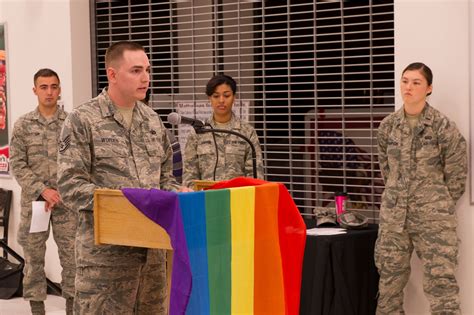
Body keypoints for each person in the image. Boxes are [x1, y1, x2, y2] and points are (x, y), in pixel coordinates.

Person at [57, 41, 189, 314]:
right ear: (113, 75)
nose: (146, 78)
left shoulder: (153, 121)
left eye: (148, 70)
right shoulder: (83, 120)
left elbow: (165, 179)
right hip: (105, 263)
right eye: (136, 70)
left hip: (152, 258)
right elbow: (70, 186)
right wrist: (127, 202)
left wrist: (177, 193)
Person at [375, 62, 467, 314]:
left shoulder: (442, 127)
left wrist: (434, 201)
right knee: (388, 288)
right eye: (405, 81)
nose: (409, 87)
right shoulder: (388, 127)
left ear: (428, 88)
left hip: (433, 220)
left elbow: (457, 175)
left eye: (416, 82)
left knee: (442, 288)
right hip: (394, 220)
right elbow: (387, 170)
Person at [9, 68, 75, 315]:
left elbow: (79, 162)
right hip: (36, 204)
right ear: (35, 90)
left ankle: (72, 308)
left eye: (54, 87)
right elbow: (17, 164)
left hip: (66, 203)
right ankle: (38, 310)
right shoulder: (23, 125)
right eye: (44, 87)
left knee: (72, 259)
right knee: (34, 260)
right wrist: (43, 190)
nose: (49, 92)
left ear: (60, 90)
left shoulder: (71, 124)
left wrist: (62, 191)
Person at [183, 74, 264, 188]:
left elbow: (255, 175)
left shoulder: (247, 132)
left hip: (238, 200)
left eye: (226, 95)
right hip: (206, 200)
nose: (221, 100)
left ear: (234, 97)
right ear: (209, 99)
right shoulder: (199, 132)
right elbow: (189, 175)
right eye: (216, 96)